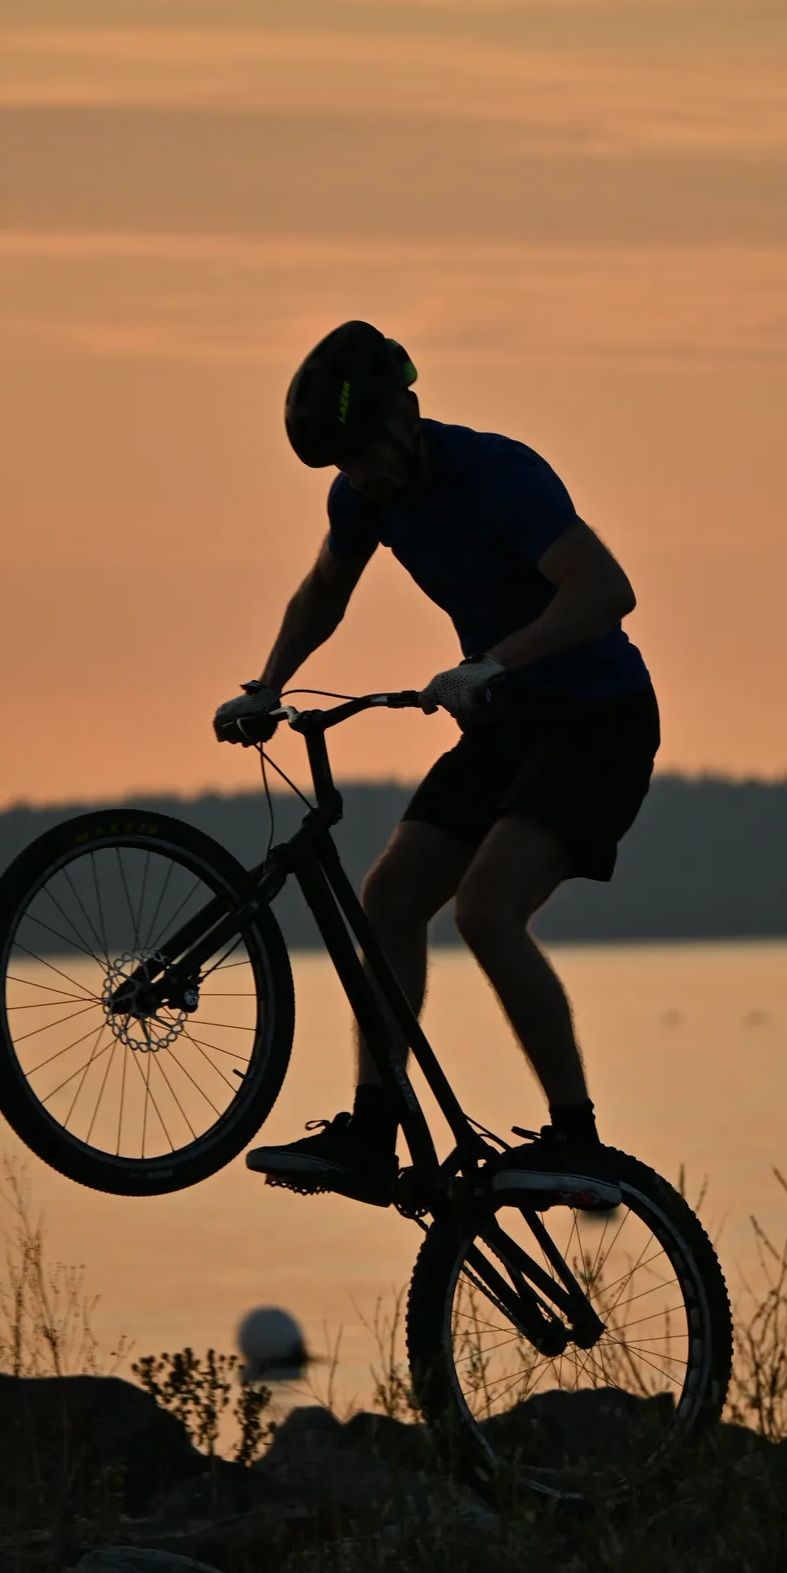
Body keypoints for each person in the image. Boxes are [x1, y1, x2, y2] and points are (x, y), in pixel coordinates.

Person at [213, 320, 659, 1207]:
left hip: (597, 723)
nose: (361, 477)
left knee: (488, 910)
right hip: (507, 722)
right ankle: (374, 1135)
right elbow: (325, 593)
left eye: (366, 454)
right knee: (391, 898)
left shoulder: (500, 475)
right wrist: (267, 685)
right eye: (342, 465)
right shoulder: (364, 498)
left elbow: (608, 591)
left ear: (407, 415)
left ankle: (579, 1143)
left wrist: (495, 661)